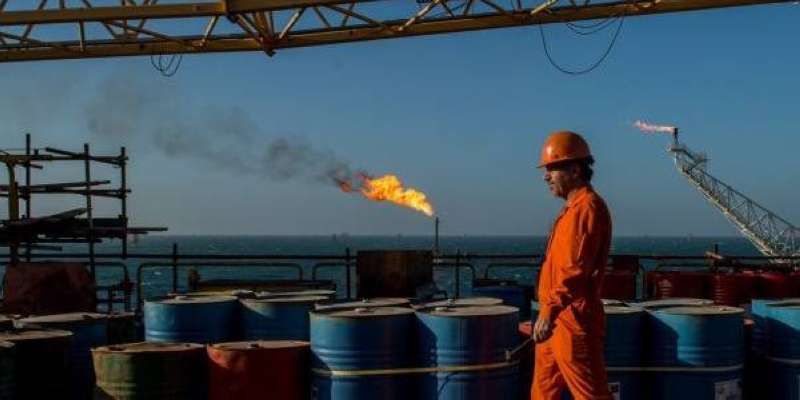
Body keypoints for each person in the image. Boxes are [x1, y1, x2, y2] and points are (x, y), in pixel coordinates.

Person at [531, 131, 613, 400]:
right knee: (543, 393)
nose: (546, 177)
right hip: (556, 319)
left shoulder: (587, 208)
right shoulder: (572, 210)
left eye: (552, 169)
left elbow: (575, 270)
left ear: (575, 170)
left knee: (591, 395)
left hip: (572, 320)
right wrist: (547, 312)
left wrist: (549, 311)